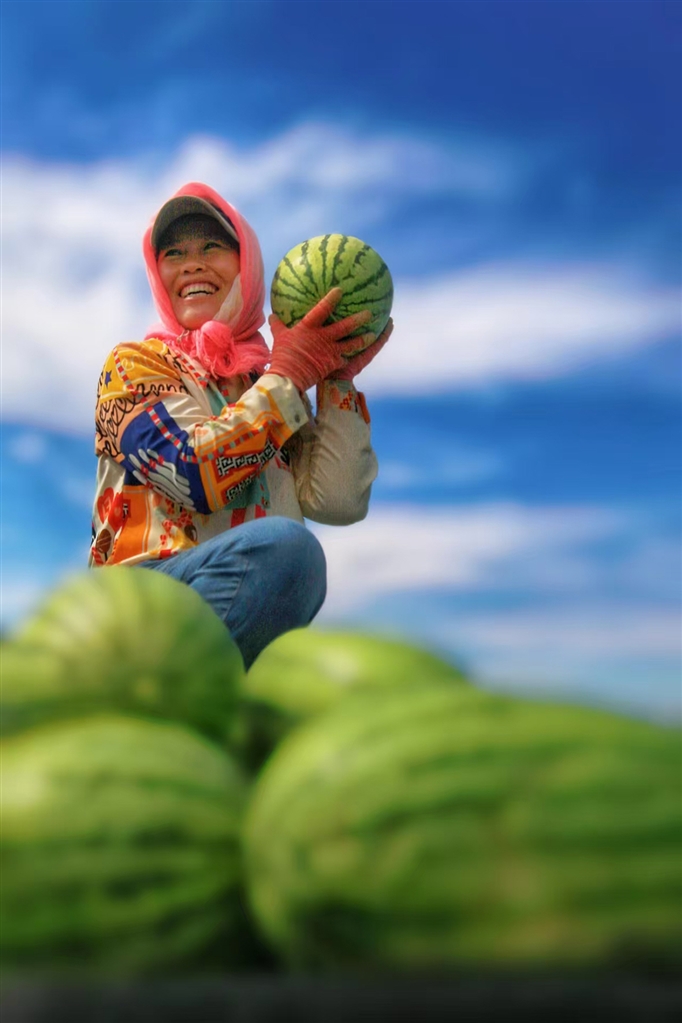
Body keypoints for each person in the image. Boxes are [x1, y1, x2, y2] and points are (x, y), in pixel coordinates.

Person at [89, 182, 391, 669]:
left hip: (226, 614)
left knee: (298, 562)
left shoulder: (272, 388)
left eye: (211, 246)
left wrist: (335, 379)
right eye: (173, 253)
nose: (191, 264)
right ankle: (147, 686)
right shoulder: (133, 366)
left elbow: (338, 502)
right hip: (139, 605)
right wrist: (290, 374)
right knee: (290, 550)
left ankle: (194, 692)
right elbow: (190, 473)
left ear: (246, 265)